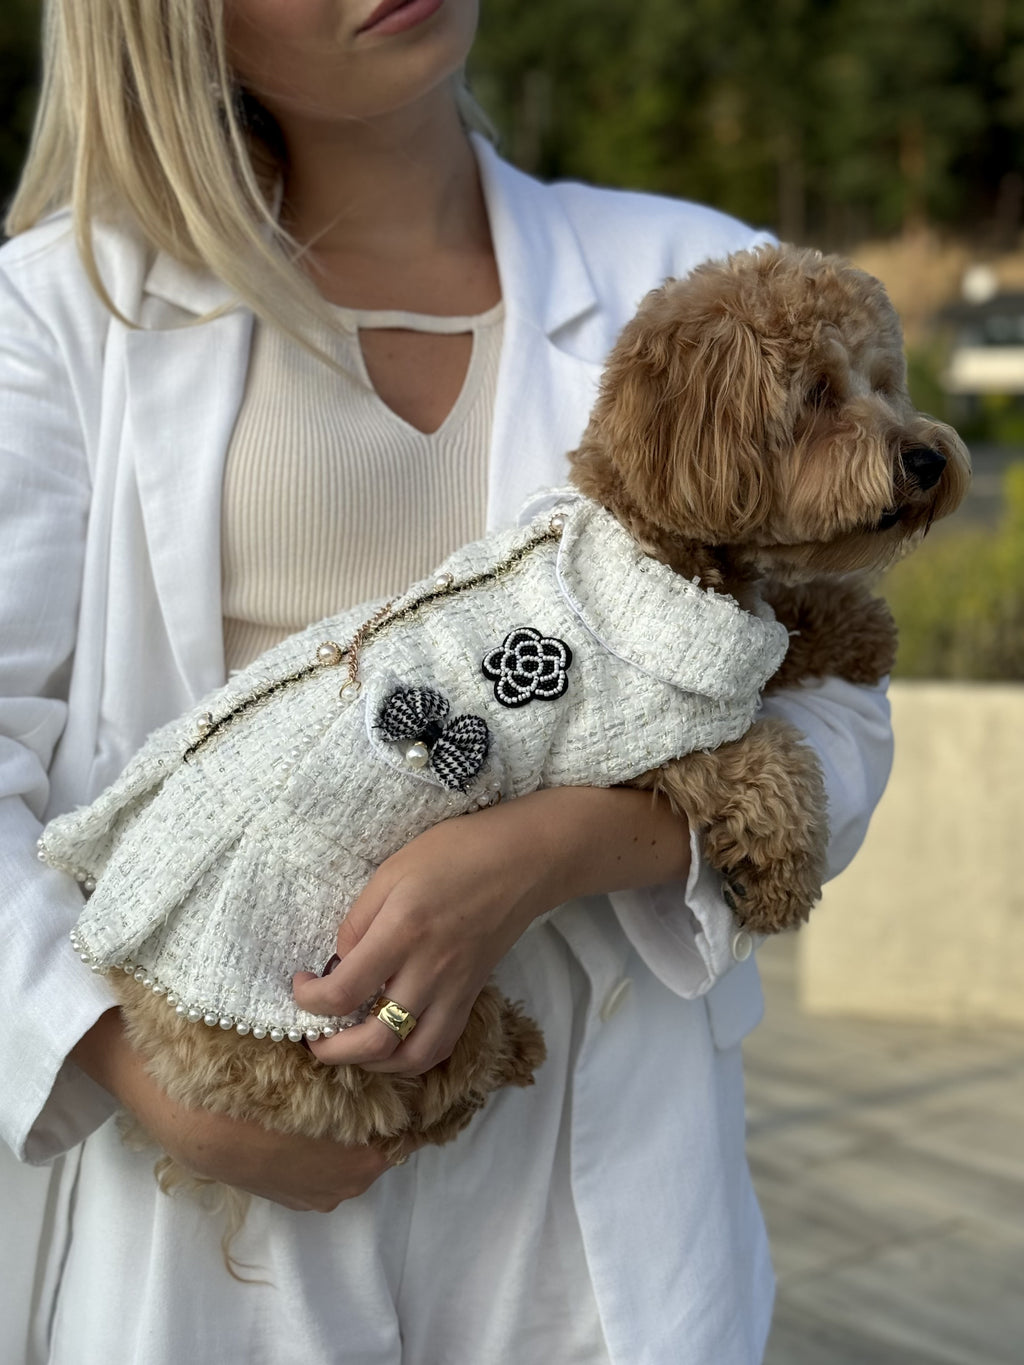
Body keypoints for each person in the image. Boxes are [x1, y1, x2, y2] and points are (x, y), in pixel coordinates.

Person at [0, 1, 893, 1361]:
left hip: (594, 1209)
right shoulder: (61, 312)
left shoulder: (691, 273)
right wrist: (128, 1065)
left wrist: (558, 846)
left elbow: (833, 698)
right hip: (215, 1210)